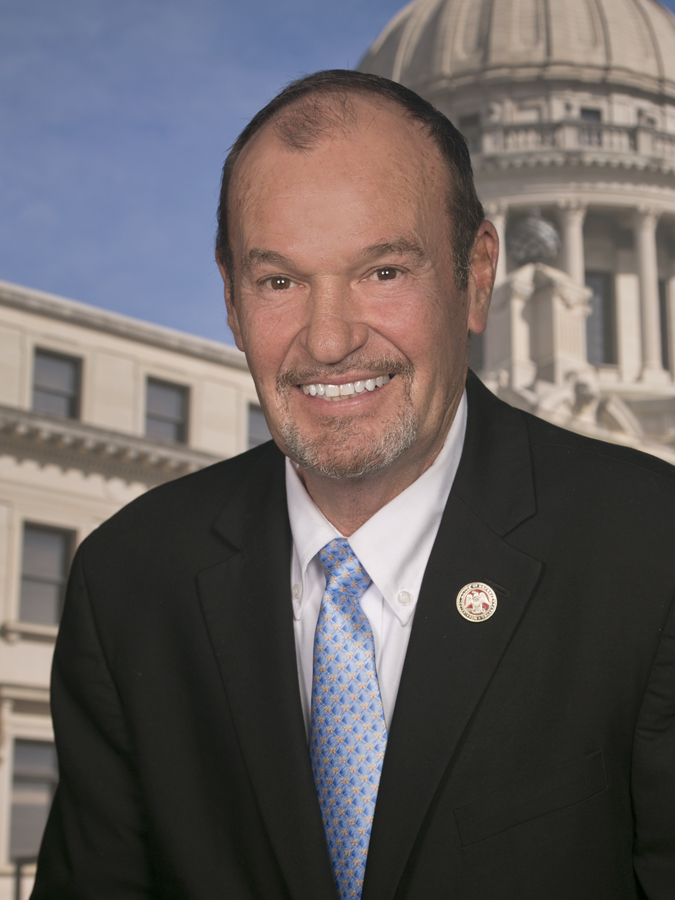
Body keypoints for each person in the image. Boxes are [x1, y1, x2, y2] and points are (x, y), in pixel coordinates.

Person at [32, 70, 675, 900]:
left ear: (477, 275)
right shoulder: (128, 581)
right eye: (279, 281)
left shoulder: (649, 549)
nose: (329, 340)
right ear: (230, 300)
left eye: (383, 272)